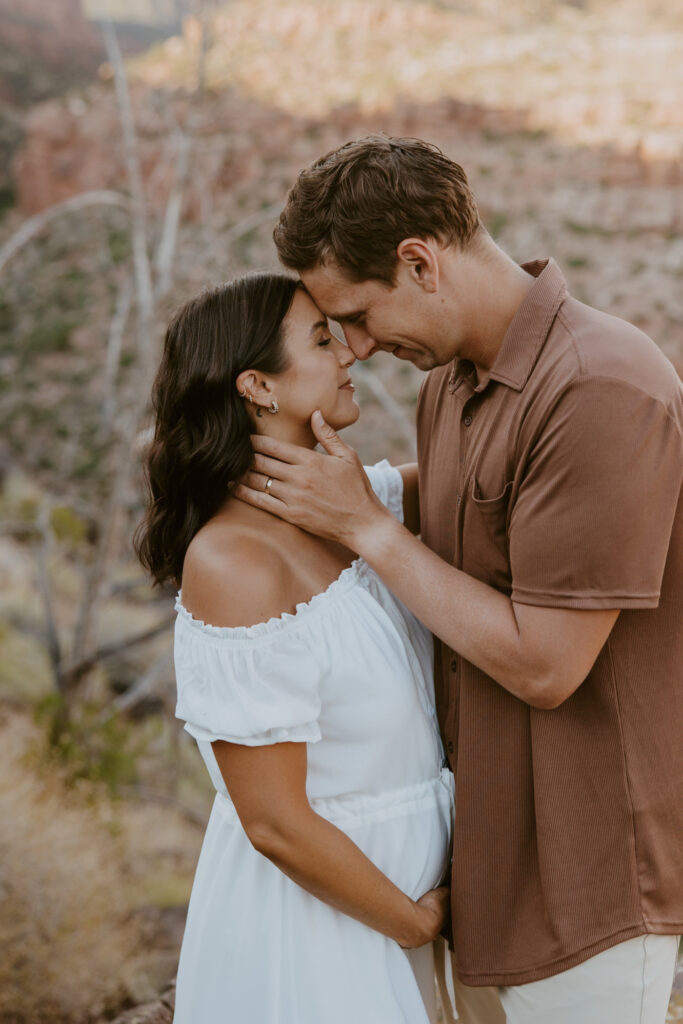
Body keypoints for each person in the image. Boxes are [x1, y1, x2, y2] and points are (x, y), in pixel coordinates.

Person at [236, 136, 683, 1024]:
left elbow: (545, 666)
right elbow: (453, 528)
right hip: (481, 871)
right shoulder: (455, 385)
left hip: (588, 891)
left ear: (418, 261)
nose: (355, 348)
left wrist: (360, 524)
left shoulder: (597, 387)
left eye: (355, 315)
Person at [134, 272, 456, 1024]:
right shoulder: (234, 564)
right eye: (320, 339)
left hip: (417, 918)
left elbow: (486, 478)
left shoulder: (355, 507)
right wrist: (413, 925)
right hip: (326, 933)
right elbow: (275, 822)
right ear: (258, 387)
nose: (348, 352)